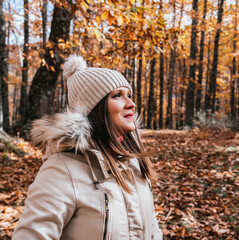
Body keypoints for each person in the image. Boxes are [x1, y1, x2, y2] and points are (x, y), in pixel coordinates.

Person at [12, 55, 163, 240]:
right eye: (117, 95)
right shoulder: (62, 169)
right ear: (95, 108)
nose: (131, 103)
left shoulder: (134, 163)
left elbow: (152, 228)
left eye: (128, 95)